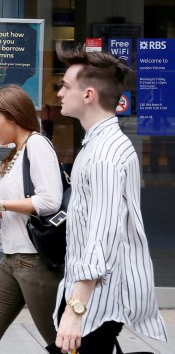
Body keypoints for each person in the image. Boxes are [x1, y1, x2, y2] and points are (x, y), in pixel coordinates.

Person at [53, 43, 167, 353]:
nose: (59, 93)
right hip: (92, 297)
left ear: (88, 95)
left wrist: (75, 312)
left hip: (96, 303)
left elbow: (101, 236)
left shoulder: (105, 154)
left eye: (65, 86)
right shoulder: (99, 145)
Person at [0, 85, 64, 353]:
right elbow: (25, 205)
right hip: (12, 260)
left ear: (12, 116)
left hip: (35, 262)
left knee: (61, 343)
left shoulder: (37, 144)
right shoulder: (17, 153)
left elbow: (49, 202)